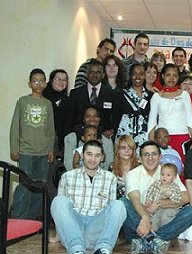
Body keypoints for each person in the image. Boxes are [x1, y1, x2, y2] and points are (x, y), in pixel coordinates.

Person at [51, 140, 126, 254]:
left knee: (119, 205)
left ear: (102, 158)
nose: (92, 159)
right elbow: (61, 212)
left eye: (97, 155)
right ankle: (76, 251)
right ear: (82, 155)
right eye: (89, 154)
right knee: (58, 201)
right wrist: (59, 235)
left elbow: (112, 212)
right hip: (74, 229)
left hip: (96, 231)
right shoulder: (67, 176)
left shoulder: (110, 178)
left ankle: (103, 249)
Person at [120, 141, 192, 254]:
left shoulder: (167, 172)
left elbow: (186, 197)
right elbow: (134, 199)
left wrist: (160, 203)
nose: (150, 158)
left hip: (162, 222)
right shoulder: (133, 174)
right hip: (139, 224)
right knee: (122, 203)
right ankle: (157, 241)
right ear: (140, 158)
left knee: (191, 211)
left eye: (154, 154)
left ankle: (149, 241)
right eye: (146, 154)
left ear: (160, 157)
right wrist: (145, 218)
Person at [10, 68, 55, 220]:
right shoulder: (22, 102)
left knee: (39, 187)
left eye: (41, 80)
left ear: (45, 83)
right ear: (30, 83)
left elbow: (50, 129)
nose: (38, 83)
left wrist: (50, 149)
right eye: (35, 81)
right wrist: (15, 148)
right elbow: (15, 126)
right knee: (24, 187)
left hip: (43, 152)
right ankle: (17, 219)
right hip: (26, 151)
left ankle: (34, 220)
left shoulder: (48, 104)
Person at [147, 63, 192, 163]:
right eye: (168, 75)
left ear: (178, 77)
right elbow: (152, 122)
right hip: (162, 139)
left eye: (175, 75)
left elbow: (190, 118)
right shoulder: (156, 97)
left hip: (183, 137)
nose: (171, 78)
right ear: (162, 76)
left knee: (182, 170)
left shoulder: (185, 95)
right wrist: (152, 143)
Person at [67, 59, 115, 138]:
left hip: (104, 137)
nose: (95, 75)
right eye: (92, 72)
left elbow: (114, 117)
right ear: (86, 74)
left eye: (98, 72)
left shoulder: (111, 94)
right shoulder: (75, 93)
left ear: (103, 75)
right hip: (80, 136)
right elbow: (70, 118)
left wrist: (111, 130)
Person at [113, 63, 154, 152]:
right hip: (125, 134)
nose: (137, 77)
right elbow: (115, 116)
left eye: (141, 74)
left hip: (144, 135)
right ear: (130, 76)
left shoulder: (151, 96)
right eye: (134, 74)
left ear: (144, 76)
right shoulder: (121, 94)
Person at [64, 105, 114, 171]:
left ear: (99, 119)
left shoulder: (106, 139)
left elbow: (108, 164)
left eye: (95, 116)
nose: (92, 119)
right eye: (88, 116)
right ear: (83, 120)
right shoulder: (72, 137)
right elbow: (69, 165)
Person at [144, 163, 181, 230]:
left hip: (169, 209)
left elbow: (178, 199)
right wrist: (148, 201)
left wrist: (170, 194)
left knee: (165, 217)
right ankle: (153, 234)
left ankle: (165, 232)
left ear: (174, 177)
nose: (164, 177)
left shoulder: (174, 187)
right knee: (154, 220)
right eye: (162, 174)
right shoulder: (156, 184)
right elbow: (150, 193)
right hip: (157, 210)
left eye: (168, 175)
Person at [42, 69, 70, 155]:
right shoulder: (43, 98)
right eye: (58, 79)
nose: (61, 82)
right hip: (44, 140)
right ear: (51, 81)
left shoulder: (69, 100)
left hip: (61, 142)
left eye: (64, 80)